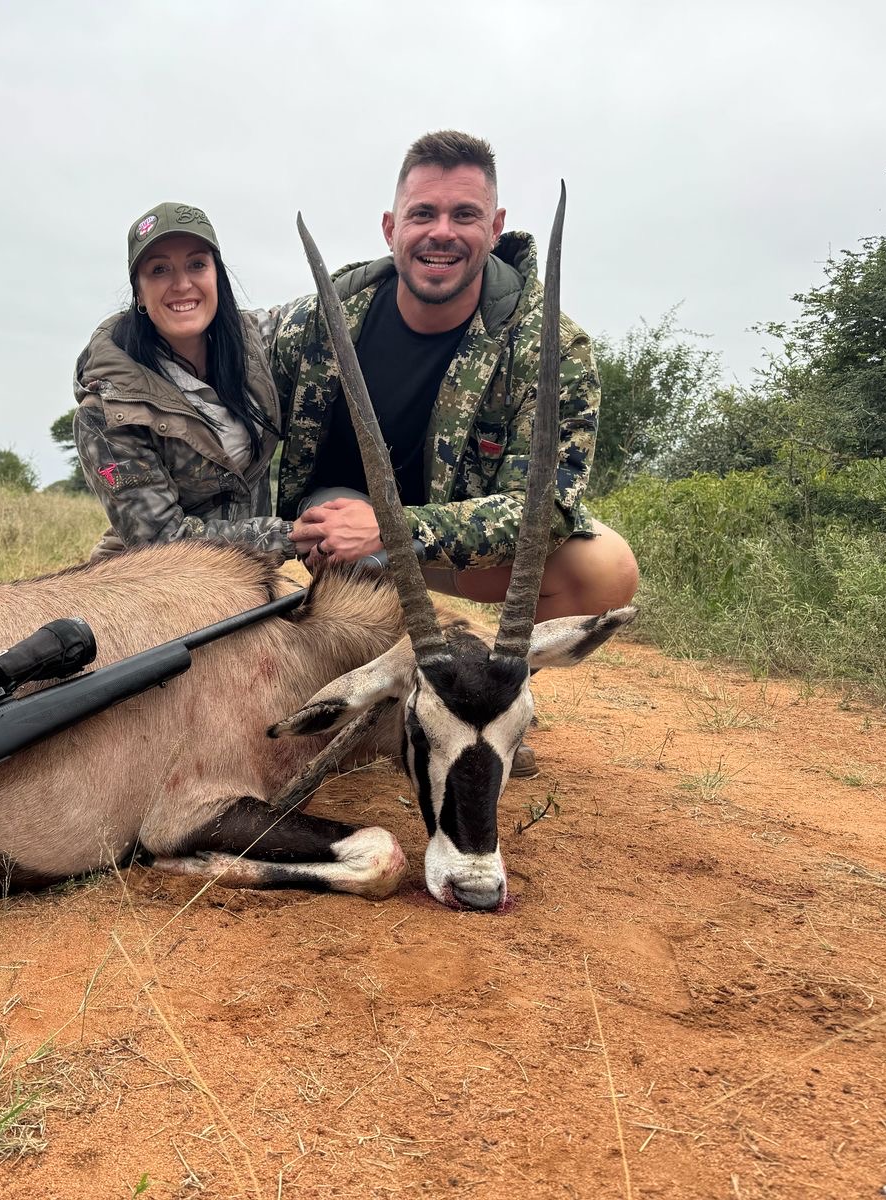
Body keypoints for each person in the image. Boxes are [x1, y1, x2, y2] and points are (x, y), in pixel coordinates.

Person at [269, 130, 640, 775]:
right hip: (334, 531)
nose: (442, 232)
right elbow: (207, 340)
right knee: (342, 523)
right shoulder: (319, 318)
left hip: (432, 544)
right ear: (391, 227)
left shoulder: (551, 346)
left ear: (496, 227)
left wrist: (392, 527)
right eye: (423, 214)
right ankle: (394, 697)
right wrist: (112, 358)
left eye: (464, 215)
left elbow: (546, 507)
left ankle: (480, 701)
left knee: (604, 570)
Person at [73, 202, 295, 561]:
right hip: (160, 585)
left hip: (251, 577)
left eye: (196, 264)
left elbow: (328, 305)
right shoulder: (106, 411)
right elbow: (164, 543)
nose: (181, 284)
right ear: (139, 294)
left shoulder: (259, 342)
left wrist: (396, 263)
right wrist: (289, 535)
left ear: (217, 277)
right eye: (160, 270)